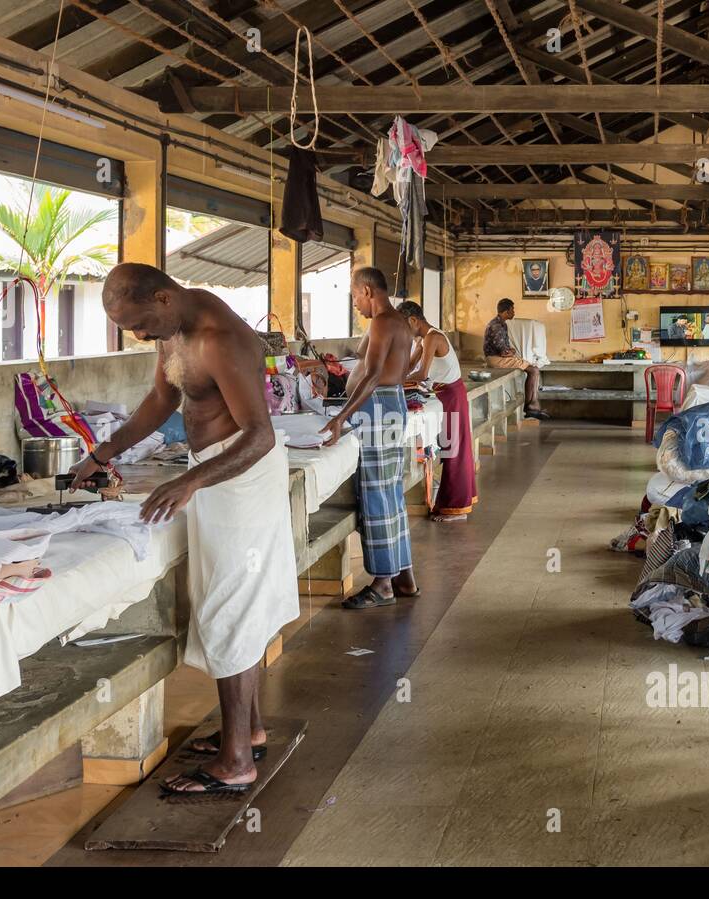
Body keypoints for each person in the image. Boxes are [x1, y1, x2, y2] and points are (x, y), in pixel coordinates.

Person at [70, 262, 299, 794]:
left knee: (232, 605)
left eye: (141, 324)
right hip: (211, 471)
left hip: (240, 476)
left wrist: (191, 481)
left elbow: (260, 435)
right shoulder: (169, 330)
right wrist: (101, 453)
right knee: (225, 600)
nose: (140, 335)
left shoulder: (219, 338)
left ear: (164, 297)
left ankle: (237, 761)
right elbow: (162, 400)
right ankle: (249, 731)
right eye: (130, 328)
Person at [320, 267, 420, 609]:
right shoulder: (398, 323)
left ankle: (382, 584)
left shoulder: (382, 322)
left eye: (353, 296)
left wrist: (340, 416)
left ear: (366, 290)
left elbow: (374, 374)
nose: (354, 303)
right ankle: (404, 577)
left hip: (377, 409)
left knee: (376, 494)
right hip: (390, 404)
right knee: (390, 491)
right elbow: (379, 366)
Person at [401, 300, 477, 522]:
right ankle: (448, 504)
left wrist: (392, 381)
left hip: (452, 395)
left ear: (414, 320)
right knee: (448, 448)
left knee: (455, 451)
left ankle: (458, 509)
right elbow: (408, 368)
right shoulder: (423, 340)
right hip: (443, 396)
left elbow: (422, 374)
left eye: (404, 326)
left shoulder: (433, 337)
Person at [483, 298, 550, 421]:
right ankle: (532, 405)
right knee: (534, 370)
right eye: (512, 310)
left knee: (533, 369)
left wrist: (511, 351)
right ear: (506, 311)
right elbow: (504, 352)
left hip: (499, 357)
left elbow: (507, 349)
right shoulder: (496, 326)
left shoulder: (502, 324)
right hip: (495, 359)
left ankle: (531, 405)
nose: (514, 312)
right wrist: (510, 352)